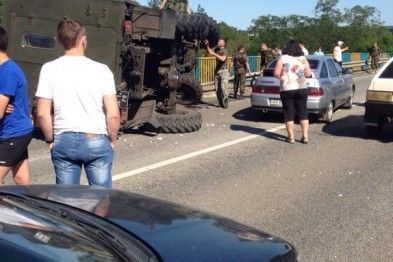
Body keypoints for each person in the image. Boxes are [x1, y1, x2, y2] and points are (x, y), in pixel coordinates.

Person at [35, 17, 120, 188]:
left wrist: (50, 141)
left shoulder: (49, 69)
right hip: (96, 138)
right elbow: (113, 114)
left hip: (64, 140)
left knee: (66, 203)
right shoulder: (102, 70)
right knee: (101, 201)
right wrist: (112, 139)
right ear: (82, 40)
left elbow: (42, 114)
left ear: (61, 41)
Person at [0, 26, 33, 185]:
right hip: (15, 131)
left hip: (13, 133)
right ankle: (33, 206)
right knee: (21, 178)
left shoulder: (7, 72)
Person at [273, 40, 312, 144]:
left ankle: (291, 138)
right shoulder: (303, 59)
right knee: (303, 112)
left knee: (289, 113)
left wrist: (282, 77)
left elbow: (276, 73)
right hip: (301, 87)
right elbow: (308, 74)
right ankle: (305, 136)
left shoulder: (283, 58)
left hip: (287, 88)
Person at [205, 37, 230, 108]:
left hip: (223, 71)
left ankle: (225, 100)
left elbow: (222, 59)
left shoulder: (225, 51)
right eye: (218, 41)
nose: (218, 42)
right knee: (217, 88)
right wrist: (207, 45)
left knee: (223, 87)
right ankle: (220, 102)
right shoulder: (216, 49)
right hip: (217, 71)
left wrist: (214, 54)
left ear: (223, 43)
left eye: (220, 41)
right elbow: (210, 52)